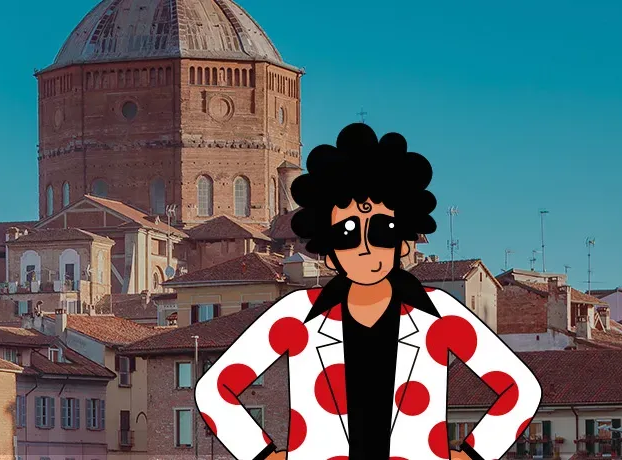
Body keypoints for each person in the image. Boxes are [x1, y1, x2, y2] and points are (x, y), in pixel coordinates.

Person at [193, 123, 540, 460]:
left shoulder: (439, 314)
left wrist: (474, 454)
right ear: (328, 251)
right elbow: (214, 391)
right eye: (347, 233)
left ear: (404, 243)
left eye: (382, 230)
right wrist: (264, 454)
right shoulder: (296, 315)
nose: (364, 246)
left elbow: (521, 389)